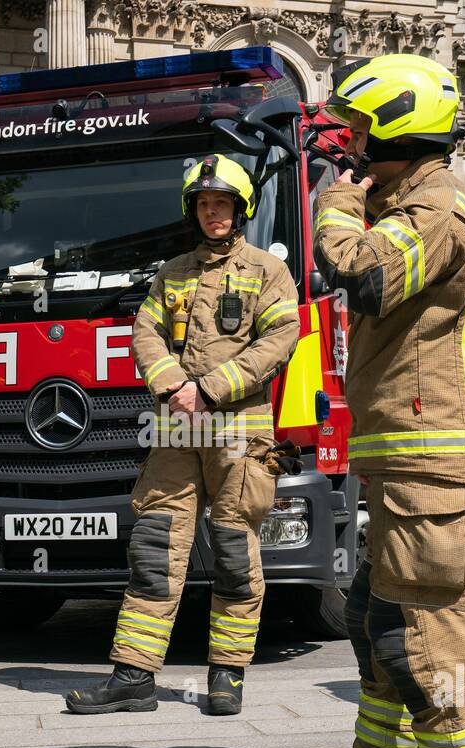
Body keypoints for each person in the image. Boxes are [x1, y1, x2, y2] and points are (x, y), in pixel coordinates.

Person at [309, 54, 465, 748]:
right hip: (406, 453)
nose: (352, 146)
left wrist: (334, 206)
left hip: (435, 456)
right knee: (374, 612)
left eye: (360, 129)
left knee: (424, 622)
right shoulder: (411, 202)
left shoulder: (440, 211)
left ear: (398, 126)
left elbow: (363, 276)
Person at [64, 154, 299, 717]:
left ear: (240, 210)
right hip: (176, 426)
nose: (212, 213)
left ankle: (227, 674)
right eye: (203, 204)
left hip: (237, 429)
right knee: (154, 549)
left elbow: (280, 339)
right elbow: (144, 332)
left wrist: (210, 388)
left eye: (221, 204)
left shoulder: (269, 271)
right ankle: (133, 676)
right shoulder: (171, 271)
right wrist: (172, 387)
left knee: (233, 550)